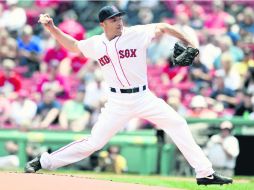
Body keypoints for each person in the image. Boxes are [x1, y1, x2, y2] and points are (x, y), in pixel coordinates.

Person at [25, 5, 232, 185]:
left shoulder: (136, 33)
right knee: (94, 143)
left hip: (144, 97)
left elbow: (164, 27)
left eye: (120, 18)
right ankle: (43, 161)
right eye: (113, 20)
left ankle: (205, 173)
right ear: (103, 24)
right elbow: (73, 45)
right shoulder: (96, 43)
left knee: (177, 123)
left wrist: (190, 44)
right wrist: (52, 28)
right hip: (117, 102)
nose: (119, 22)